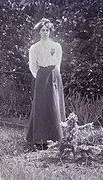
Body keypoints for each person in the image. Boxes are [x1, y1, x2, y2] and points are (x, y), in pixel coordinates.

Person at [26, 18, 65, 150]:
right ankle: (39, 139)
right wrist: (40, 78)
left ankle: (54, 137)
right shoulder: (34, 48)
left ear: (50, 31)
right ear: (39, 32)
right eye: (42, 30)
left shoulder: (56, 46)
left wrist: (55, 76)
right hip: (42, 76)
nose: (45, 33)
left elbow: (58, 63)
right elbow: (32, 66)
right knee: (41, 106)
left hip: (54, 75)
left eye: (47, 30)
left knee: (54, 105)